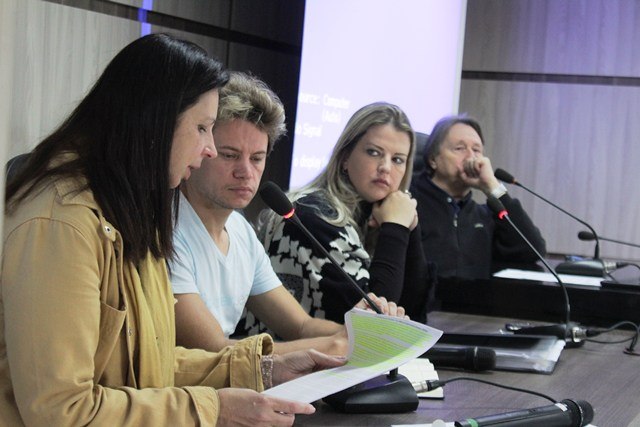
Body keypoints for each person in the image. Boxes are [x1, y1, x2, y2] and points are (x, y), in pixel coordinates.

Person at [0, 33, 347, 427]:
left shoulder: (129, 207)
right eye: (202, 128)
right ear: (155, 123)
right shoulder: (63, 223)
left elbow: (152, 362)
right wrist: (212, 409)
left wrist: (266, 371)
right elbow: (59, 411)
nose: (210, 149)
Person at [169, 72, 403, 356]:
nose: (246, 172)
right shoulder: (167, 228)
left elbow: (301, 326)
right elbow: (212, 351)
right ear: (202, 149)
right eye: (229, 155)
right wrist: (334, 345)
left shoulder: (240, 231)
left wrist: (364, 329)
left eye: (257, 158)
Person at [260, 102, 432, 324]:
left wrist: (410, 224)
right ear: (345, 157)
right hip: (280, 354)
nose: (386, 167)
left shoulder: (377, 212)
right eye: (374, 152)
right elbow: (374, 321)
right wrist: (396, 227)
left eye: (398, 159)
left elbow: (416, 311)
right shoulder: (313, 215)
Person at [410, 114, 546, 279]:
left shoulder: (484, 216)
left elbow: (532, 251)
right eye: (459, 148)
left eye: (476, 150)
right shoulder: (409, 204)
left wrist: (493, 187)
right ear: (433, 159)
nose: (471, 157)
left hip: (476, 303)